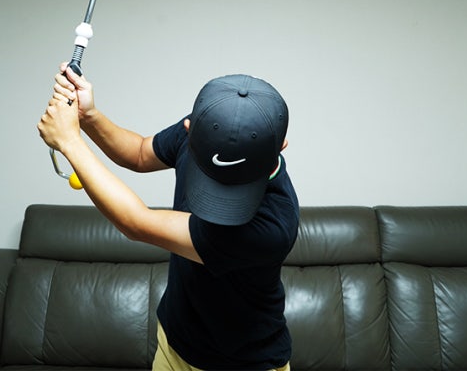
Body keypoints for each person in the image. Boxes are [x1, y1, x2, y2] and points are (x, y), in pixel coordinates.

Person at [38, 65, 300, 371]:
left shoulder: (273, 226)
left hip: (247, 364)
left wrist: (70, 142)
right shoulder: (209, 130)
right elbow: (138, 153)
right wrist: (89, 116)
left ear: (280, 147)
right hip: (175, 346)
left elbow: (136, 223)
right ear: (190, 128)